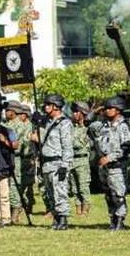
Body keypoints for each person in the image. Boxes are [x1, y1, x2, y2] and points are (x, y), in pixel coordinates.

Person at [92, 96, 130, 231]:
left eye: (110, 108)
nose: (107, 111)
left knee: (118, 195)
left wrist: (110, 158)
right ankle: (112, 219)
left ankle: (120, 220)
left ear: (118, 109)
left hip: (116, 166)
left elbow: (126, 148)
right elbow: (88, 123)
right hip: (104, 167)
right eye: (106, 108)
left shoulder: (123, 126)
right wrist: (96, 111)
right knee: (108, 195)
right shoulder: (103, 125)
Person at [39, 93, 74, 230]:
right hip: (47, 163)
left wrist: (65, 165)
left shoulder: (64, 123)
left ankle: (63, 219)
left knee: (60, 192)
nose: (45, 107)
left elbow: (67, 146)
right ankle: (56, 218)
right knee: (50, 193)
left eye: (48, 104)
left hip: (58, 162)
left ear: (56, 106)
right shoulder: (48, 123)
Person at [69, 102, 92, 217]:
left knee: (83, 186)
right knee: (74, 187)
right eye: (74, 112)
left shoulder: (88, 128)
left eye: (77, 112)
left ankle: (86, 208)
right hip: (72, 160)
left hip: (82, 160)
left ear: (83, 113)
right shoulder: (71, 127)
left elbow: (79, 143)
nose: (74, 114)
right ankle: (78, 208)